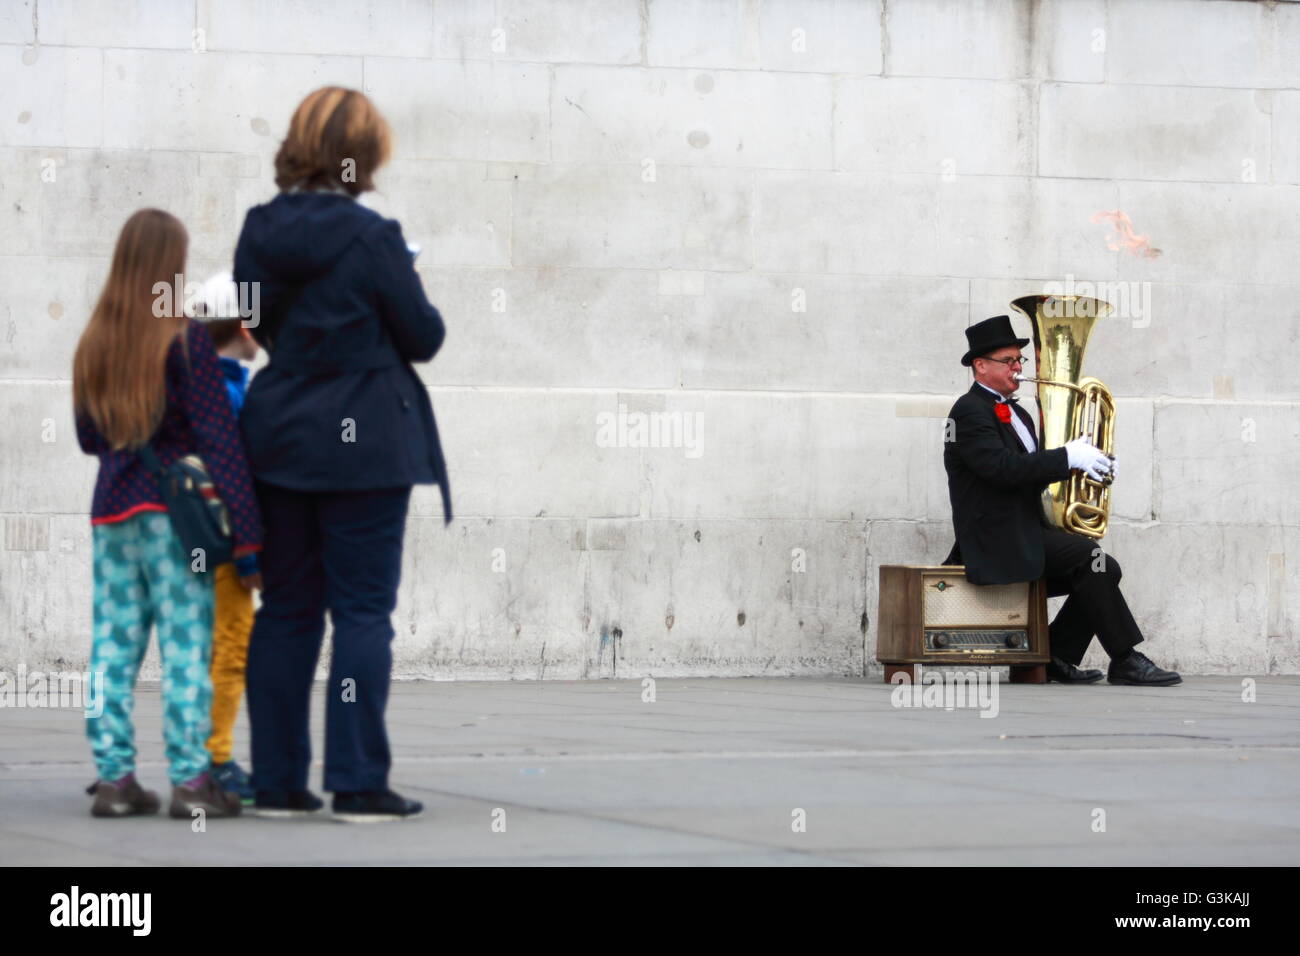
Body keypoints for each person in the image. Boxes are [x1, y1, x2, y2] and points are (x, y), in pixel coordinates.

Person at [234, 87, 451, 822]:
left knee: (287, 611)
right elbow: (423, 335)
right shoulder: (374, 237)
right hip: (365, 442)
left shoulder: (258, 229)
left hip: (281, 434)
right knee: (362, 613)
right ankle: (358, 783)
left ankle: (276, 784)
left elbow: (255, 326)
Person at [73, 209, 263, 819]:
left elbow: (86, 437)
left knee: (112, 649)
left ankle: (114, 780)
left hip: (111, 514)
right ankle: (189, 782)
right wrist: (251, 538)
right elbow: (220, 442)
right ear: (168, 266)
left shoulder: (95, 343)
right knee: (185, 649)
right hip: (176, 521)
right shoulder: (184, 340)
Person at [942, 314, 1181, 686]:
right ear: (980, 365)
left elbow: (1029, 471)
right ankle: (1124, 659)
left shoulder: (1019, 412)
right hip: (996, 541)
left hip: (1025, 532)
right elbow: (1002, 469)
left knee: (1102, 567)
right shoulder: (968, 411)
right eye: (1009, 361)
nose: (1018, 367)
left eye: (1019, 360)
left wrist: (1085, 466)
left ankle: (1056, 654)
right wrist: (1066, 457)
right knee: (1093, 561)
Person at [191, 273, 262, 804]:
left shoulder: (193, 379)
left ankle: (194, 758)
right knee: (231, 648)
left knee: (198, 650)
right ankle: (216, 759)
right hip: (226, 541)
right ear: (242, 325)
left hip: (192, 539)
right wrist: (250, 548)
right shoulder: (229, 388)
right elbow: (236, 475)